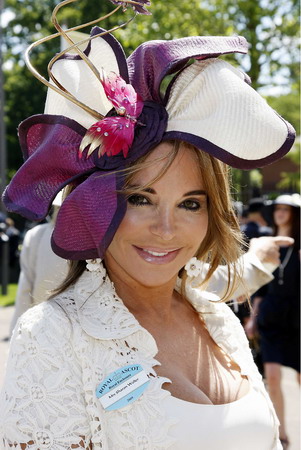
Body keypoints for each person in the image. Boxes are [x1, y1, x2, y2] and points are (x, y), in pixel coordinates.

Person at [0, 0, 296, 448]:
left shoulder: (219, 320)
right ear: (98, 205)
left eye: (190, 204)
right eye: (141, 198)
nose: (166, 227)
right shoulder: (53, 337)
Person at [246, 194, 300, 449]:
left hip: (297, 319)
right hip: (271, 317)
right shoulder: (266, 245)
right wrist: (253, 318)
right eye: (277, 208)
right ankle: (282, 432)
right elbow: (260, 287)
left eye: (285, 209)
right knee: (273, 377)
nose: (280, 213)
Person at [9, 193, 68, 335]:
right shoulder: (95, 238)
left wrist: (17, 332)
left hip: (41, 325)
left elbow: (25, 288)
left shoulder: (36, 236)